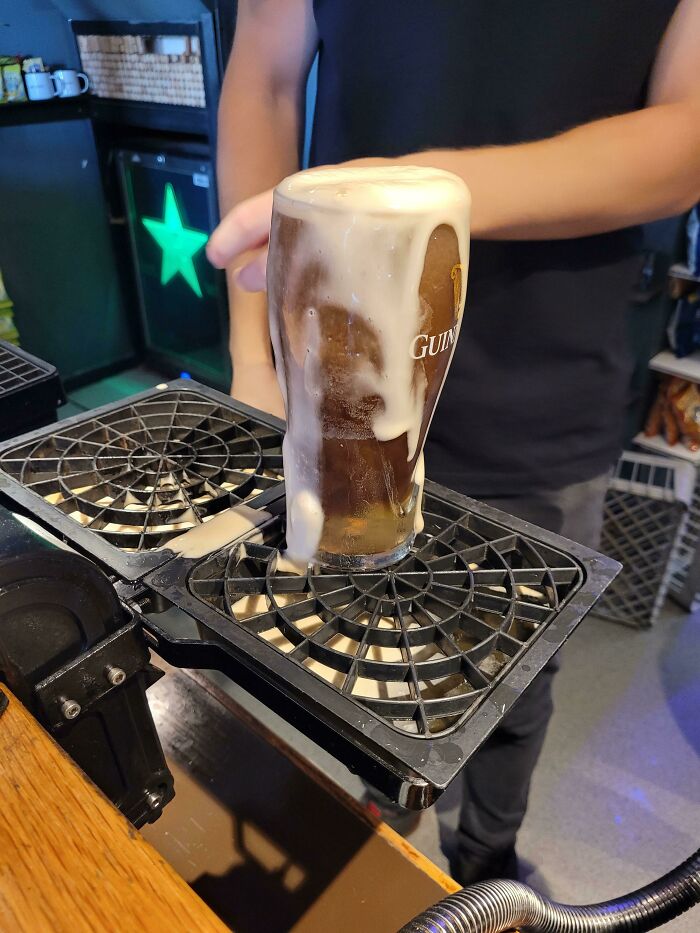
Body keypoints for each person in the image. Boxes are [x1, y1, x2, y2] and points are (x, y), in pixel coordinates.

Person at [207, 0, 700, 884]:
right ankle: (381, 825)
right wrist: (256, 352)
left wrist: (415, 191)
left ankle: (484, 864)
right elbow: (266, 78)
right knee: (361, 651)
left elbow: (688, 140)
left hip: (545, 374)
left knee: (515, 677)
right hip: (338, 366)